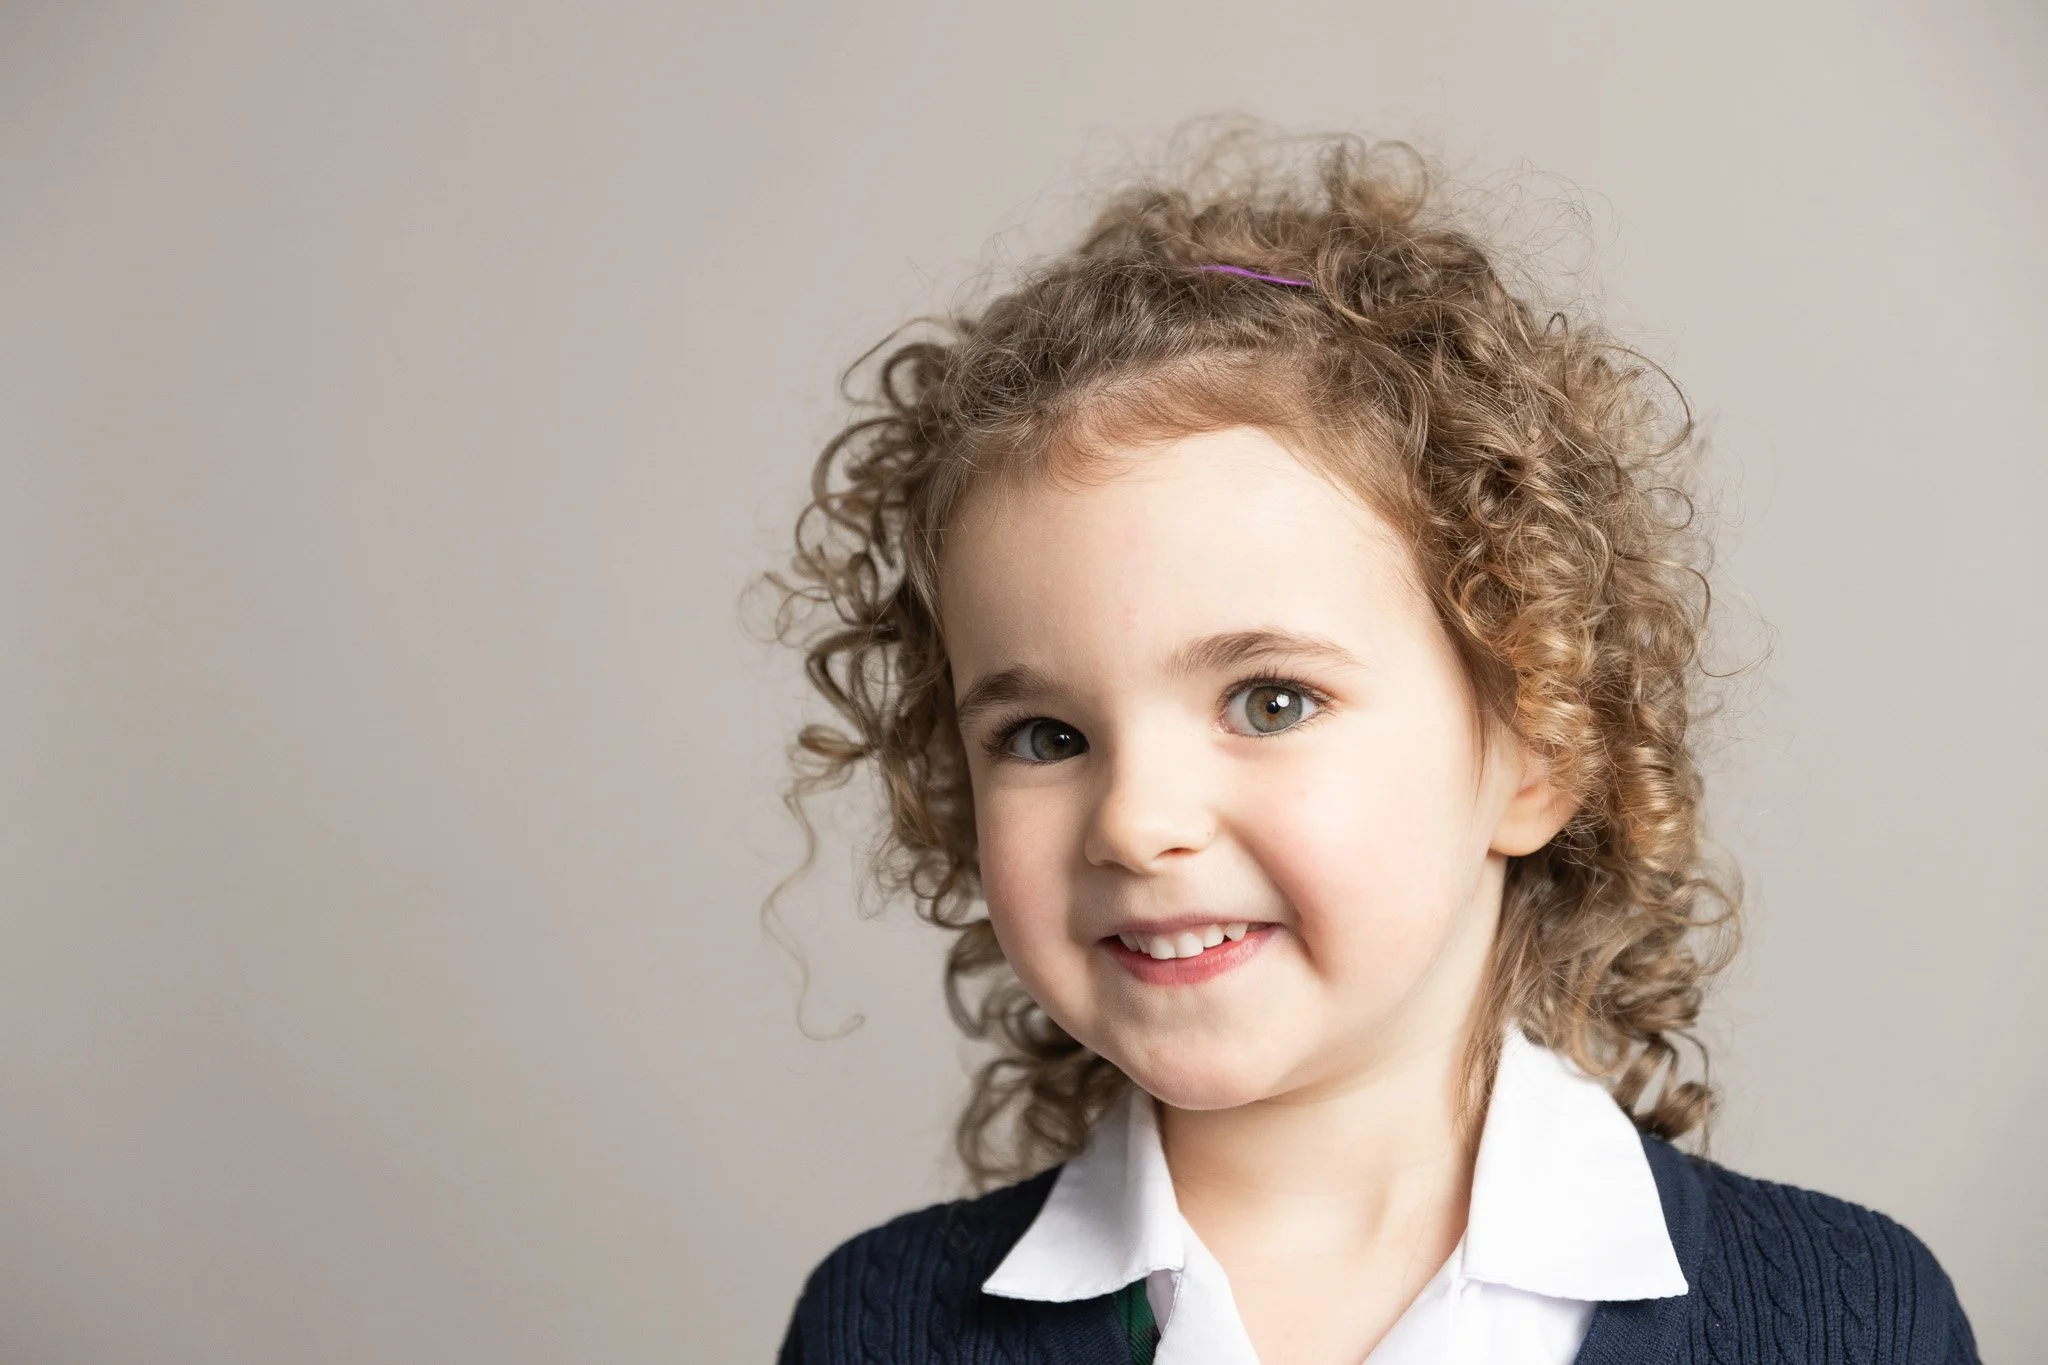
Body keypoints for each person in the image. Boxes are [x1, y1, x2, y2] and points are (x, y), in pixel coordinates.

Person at [761, 130, 1978, 1364]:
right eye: (1045, 735)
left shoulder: (1847, 1320)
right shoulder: (878, 1328)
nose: (1133, 821)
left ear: (1538, 747)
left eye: (1269, 703)